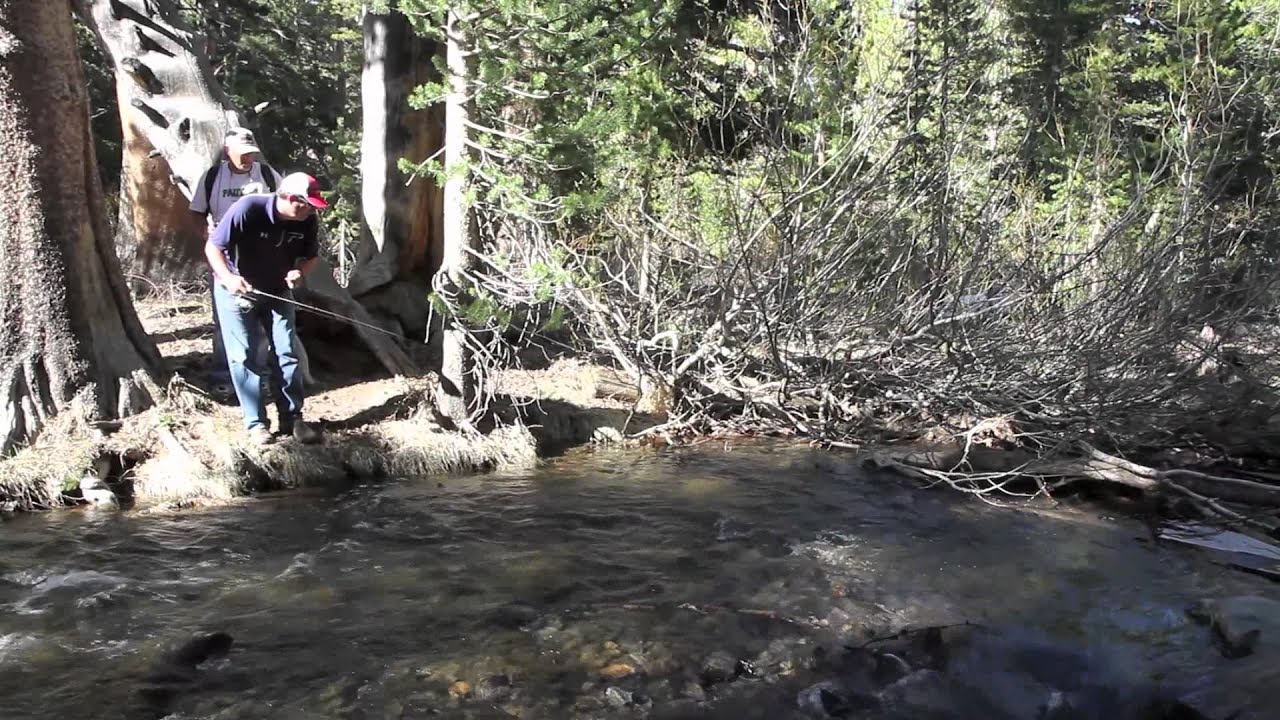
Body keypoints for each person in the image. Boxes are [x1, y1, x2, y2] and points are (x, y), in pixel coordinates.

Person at [205, 173, 328, 446]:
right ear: (290, 198)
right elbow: (213, 246)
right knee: (245, 354)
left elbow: (311, 257)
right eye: (305, 204)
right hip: (237, 291)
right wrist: (228, 279)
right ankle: (256, 424)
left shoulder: (307, 219)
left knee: (286, 351)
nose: (309, 209)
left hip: (278, 292)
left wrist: (299, 272)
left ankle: (293, 419)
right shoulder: (249, 208)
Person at [191, 128, 283, 382]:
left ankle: (260, 372)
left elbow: (284, 205)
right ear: (227, 152)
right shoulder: (212, 177)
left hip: (261, 249)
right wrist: (209, 237)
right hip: (225, 251)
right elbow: (197, 212)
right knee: (225, 313)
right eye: (242, 154)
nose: (248, 159)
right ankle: (224, 374)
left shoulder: (265, 175)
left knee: (261, 310)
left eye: (252, 154)